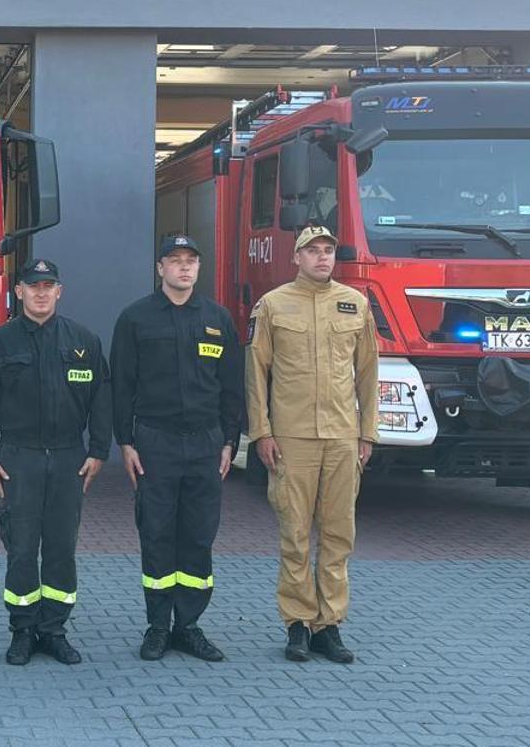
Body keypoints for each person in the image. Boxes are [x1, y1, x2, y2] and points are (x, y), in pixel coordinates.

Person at [246, 226, 379, 664]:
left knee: (339, 534)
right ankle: (298, 624)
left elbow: (368, 375)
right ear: (296, 258)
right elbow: (257, 374)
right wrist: (261, 432)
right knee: (296, 534)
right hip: (292, 438)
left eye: (328, 251)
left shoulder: (355, 304)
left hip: (342, 437)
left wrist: (367, 433)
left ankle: (330, 626)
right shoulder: (273, 305)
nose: (322, 258)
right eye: (313, 251)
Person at [111, 235, 245, 662]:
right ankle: (157, 626)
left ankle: (188, 626)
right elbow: (122, 386)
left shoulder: (218, 318)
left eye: (191, 261)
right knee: (156, 533)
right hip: (155, 441)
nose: (184, 268)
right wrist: (125, 442)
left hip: (206, 443)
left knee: (198, 535)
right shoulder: (136, 319)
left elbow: (231, 387)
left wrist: (229, 441)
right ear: (160, 268)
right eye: (175, 261)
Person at [0, 259, 111, 666]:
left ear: (59, 291)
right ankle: (21, 630)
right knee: (21, 548)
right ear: (19, 291)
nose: (41, 293)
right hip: (20, 457)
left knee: (61, 548)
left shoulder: (83, 341)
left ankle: (53, 630)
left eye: (48, 286)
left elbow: (102, 401)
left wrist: (99, 451)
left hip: (69, 457)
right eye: (33, 286)